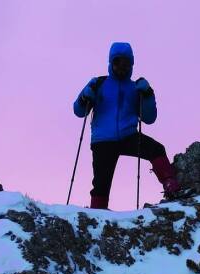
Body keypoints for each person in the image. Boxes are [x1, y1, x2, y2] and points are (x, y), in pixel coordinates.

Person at [72, 42, 182, 209]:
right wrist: (84, 98)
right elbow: (79, 111)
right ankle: (98, 213)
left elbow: (149, 118)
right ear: (111, 63)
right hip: (104, 140)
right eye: (118, 62)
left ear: (131, 64)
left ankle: (171, 186)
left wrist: (147, 95)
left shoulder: (133, 88)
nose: (121, 66)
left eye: (126, 63)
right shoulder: (98, 84)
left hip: (125, 136)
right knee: (102, 182)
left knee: (156, 149)